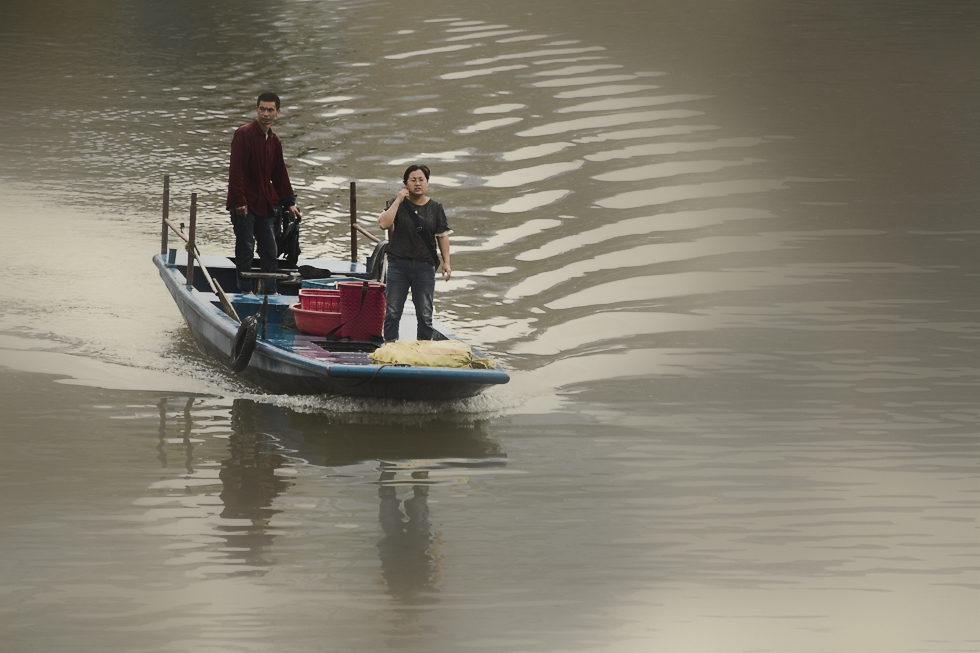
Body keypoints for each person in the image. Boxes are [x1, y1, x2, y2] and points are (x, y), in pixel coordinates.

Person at [225, 91, 301, 294]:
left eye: (270, 110)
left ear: (277, 112)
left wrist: (289, 202)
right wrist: (239, 201)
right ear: (256, 110)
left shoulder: (274, 141)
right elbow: (236, 170)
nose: (265, 114)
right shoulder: (244, 134)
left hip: (264, 203)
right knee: (245, 248)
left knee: (270, 249)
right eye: (262, 109)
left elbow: (279, 174)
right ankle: (245, 290)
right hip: (244, 203)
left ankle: (270, 289)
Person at [378, 164, 452, 341]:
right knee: (393, 312)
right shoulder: (396, 204)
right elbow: (383, 224)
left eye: (421, 180)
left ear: (427, 183)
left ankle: (423, 348)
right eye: (413, 180)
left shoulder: (436, 208)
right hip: (398, 264)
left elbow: (442, 236)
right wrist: (397, 201)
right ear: (405, 184)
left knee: (425, 315)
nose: (417, 183)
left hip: (424, 266)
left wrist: (447, 262)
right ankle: (390, 347)